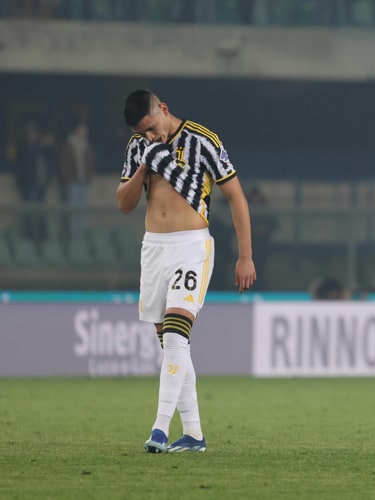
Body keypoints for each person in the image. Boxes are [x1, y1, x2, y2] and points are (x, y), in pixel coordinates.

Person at [117, 90, 256, 453]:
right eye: (142, 132)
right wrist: (145, 164)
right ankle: (193, 434)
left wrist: (246, 256)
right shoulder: (138, 148)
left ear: (163, 109)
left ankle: (160, 428)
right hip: (154, 249)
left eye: (151, 127)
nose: (150, 136)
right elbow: (124, 203)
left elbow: (236, 196)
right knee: (171, 345)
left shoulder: (202, 140)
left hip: (191, 246)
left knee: (178, 335)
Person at [58, 116, 94, 237]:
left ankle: (80, 233)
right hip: (73, 182)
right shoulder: (69, 144)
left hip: (83, 182)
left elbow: (90, 163)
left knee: (82, 209)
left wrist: (88, 177)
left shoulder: (87, 146)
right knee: (73, 210)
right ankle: (74, 235)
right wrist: (68, 179)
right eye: (83, 129)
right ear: (77, 130)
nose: (85, 132)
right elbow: (64, 164)